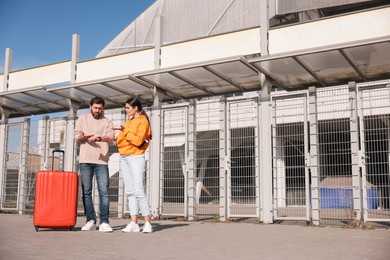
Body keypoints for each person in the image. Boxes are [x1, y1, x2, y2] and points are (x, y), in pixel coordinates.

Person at [74, 96, 115, 232]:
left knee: (104, 192)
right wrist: (84, 136)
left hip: (101, 161)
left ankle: (104, 222)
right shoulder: (82, 118)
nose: (97, 110)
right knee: (86, 192)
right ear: (90, 106)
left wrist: (98, 137)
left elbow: (111, 137)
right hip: (85, 160)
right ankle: (90, 220)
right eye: (95, 108)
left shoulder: (107, 121)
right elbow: (76, 136)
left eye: (100, 108)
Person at [114, 97, 153, 233]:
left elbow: (137, 141)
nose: (126, 110)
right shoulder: (128, 122)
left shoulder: (143, 121)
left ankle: (147, 223)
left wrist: (126, 133)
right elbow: (119, 141)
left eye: (127, 108)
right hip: (124, 157)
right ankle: (134, 222)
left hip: (136, 157)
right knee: (130, 191)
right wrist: (126, 136)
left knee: (139, 191)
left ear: (136, 108)